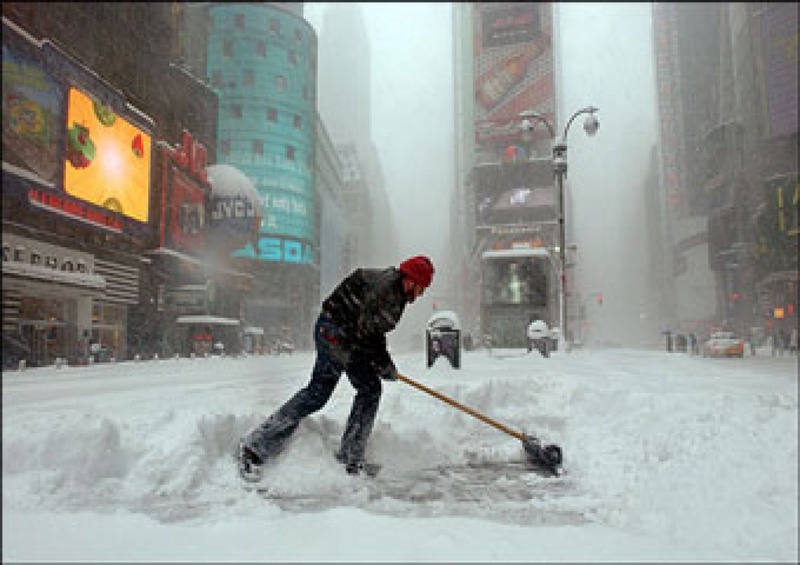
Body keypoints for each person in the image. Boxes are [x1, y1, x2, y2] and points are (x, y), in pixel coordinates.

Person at [238, 255, 435, 478]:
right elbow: (369, 333)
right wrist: (383, 364)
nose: (421, 294)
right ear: (411, 280)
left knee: (370, 389)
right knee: (317, 393)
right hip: (334, 333)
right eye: (422, 287)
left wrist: (383, 364)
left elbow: (373, 331)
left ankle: (351, 457)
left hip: (350, 338)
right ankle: (256, 445)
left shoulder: (393, 289)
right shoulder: (386, 291)